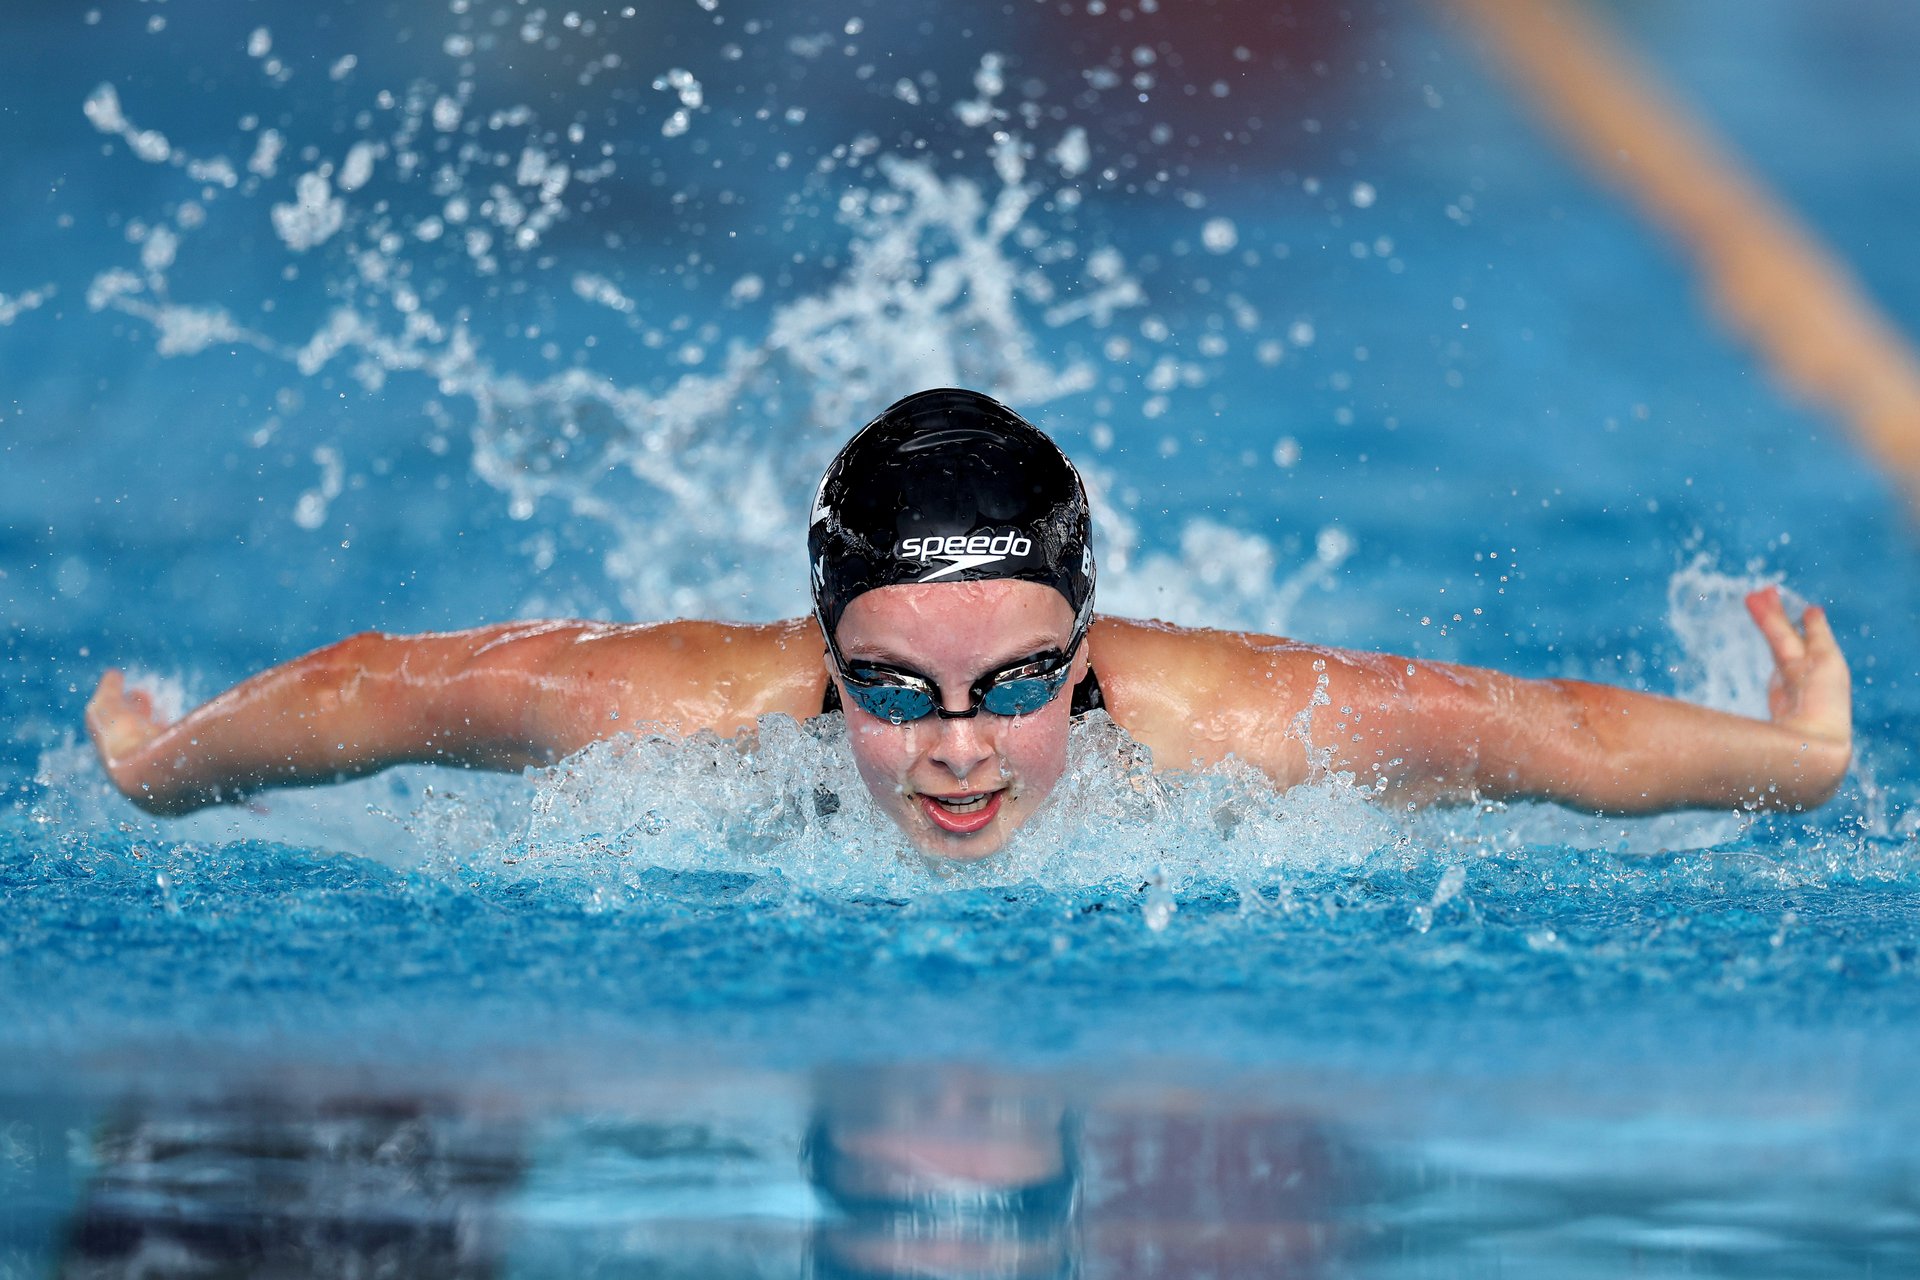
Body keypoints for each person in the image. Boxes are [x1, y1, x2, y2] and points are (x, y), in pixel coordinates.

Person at [86, 388, 1853, 861]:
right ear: (819, 652)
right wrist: (161, 769)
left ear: (1087, 658)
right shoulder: (681, 711)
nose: (953, 749)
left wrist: (1798, 754)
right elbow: (383, 695)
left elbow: (1550, 733)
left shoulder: (1230, 727)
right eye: (889, 686)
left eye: (1018, 685)